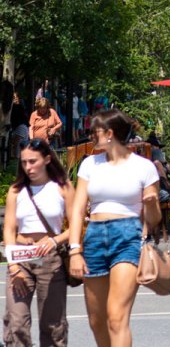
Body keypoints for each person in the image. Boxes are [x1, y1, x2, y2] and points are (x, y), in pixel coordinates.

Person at [67, 109, 159, 347]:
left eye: (93, 132)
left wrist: (151, 204)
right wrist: (75, 250)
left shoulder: (144, 167)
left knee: (117, 317)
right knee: (97, 320)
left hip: (128, 236)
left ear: (109, 134)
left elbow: (154, 219)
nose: (90, 137)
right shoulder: (89, 164)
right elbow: (78, 209)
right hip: (95, 235)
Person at [5, 138, 73, 346]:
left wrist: (55, 241)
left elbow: (76, 227)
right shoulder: (16, 191)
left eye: (33, 161)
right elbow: (9, 230)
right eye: (24, 162)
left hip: (50, 257)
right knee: (16, 322)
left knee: (53, 324)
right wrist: (13, 267)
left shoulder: (62, 187)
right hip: (21, 257)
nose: (28, 167)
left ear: (47, 159)